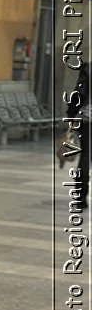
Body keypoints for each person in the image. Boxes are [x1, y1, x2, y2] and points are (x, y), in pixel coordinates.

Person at [65, 60, 90, 210]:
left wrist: (71, 114)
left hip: (88, 118)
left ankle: (81, 197)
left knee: (86, 156)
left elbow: (79, 93)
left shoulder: (88, 68)